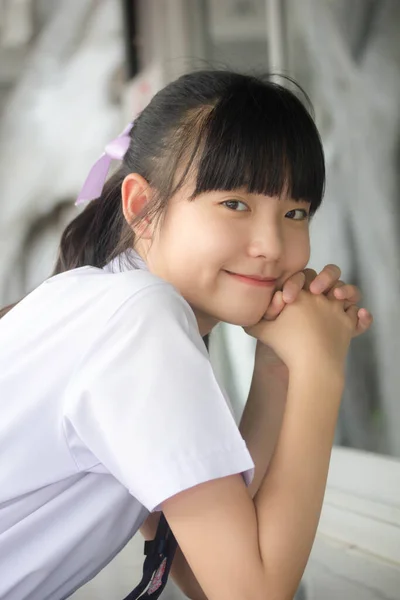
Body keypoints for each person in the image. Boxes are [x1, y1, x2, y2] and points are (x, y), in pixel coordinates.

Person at [0, 70, 372, 600]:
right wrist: (321, 369)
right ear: (142, 209)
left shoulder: (113, 307)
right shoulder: (138, 321)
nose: (271, 244)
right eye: (235, 204)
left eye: (295, 212)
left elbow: (200, 570)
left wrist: (278, 365)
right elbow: (251, 594)